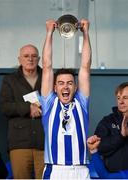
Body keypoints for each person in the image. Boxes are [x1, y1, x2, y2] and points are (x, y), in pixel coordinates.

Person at [39, 18, 92, 180]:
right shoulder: (49, 103)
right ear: (54, 88)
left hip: (81, 169)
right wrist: (49, 33)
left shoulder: (81, 102)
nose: (66, 87)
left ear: (75, 87)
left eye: (70, 83)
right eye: (61, 83)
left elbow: (85, 67)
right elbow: (47, 66)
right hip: (55, 170)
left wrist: (85, 33)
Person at [0, 44, 44, 179]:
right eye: (26, 56)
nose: (30, 59)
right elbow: (5, 107)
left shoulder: (49, 78)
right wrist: (28, 108)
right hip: (19, 143)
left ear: (39, 59)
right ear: (19, 59)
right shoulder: (10, 80)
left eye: (33, 56)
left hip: (45, 142)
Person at [95, 82, 128, 172]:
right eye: (118, 98)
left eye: (125, 98)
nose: (121, 102)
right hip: (114, 176)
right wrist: (121, 136)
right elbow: (98, 147)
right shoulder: (107, 121)